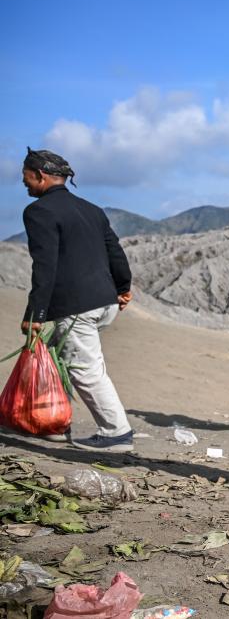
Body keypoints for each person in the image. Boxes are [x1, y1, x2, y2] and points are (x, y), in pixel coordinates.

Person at [19, 148, 134, 452]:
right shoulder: (91, 209)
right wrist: (123, 287)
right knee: (63, 359)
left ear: (41, 176)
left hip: (76, 307)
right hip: (105, 301)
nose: (25, 184)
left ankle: (116, 433)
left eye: (26, 178)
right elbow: (114, 251)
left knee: (86, 369)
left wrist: (35, 313)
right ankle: (54, 421)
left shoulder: (39, 212)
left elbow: (44, 266)